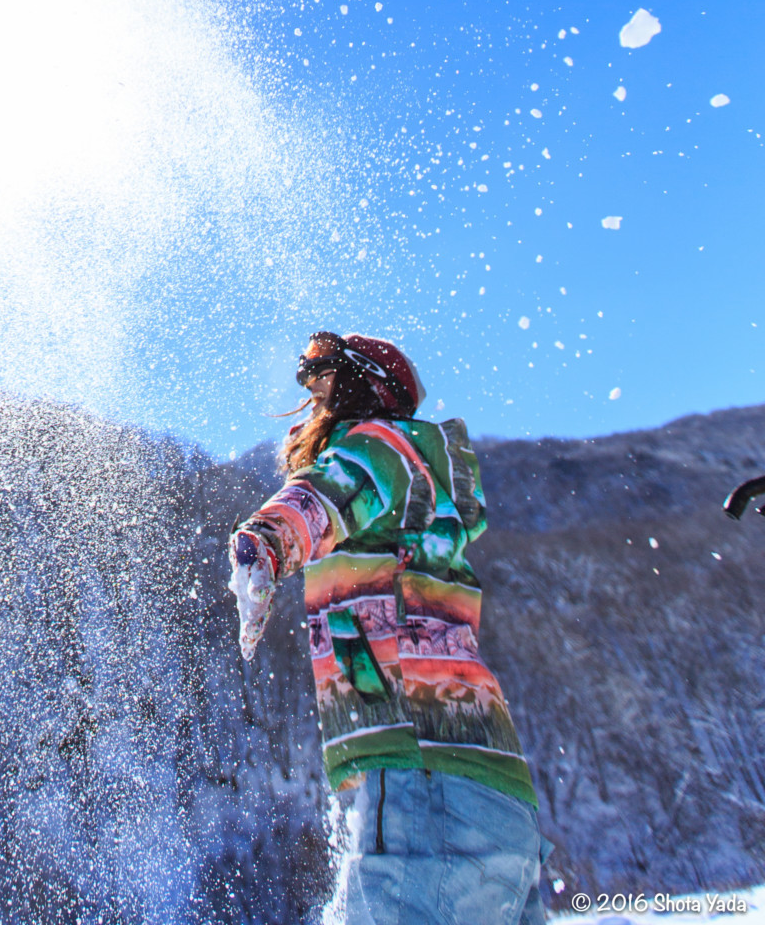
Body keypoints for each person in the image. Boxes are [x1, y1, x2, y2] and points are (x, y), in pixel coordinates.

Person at [227, 331, 550, 925]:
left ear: (359, 391)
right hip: (493, 792)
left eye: (323, 391)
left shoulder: (379, 446)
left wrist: (265, 546)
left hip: (422, 783)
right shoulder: (416, 483)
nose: (312, 410)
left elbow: (324, 494)